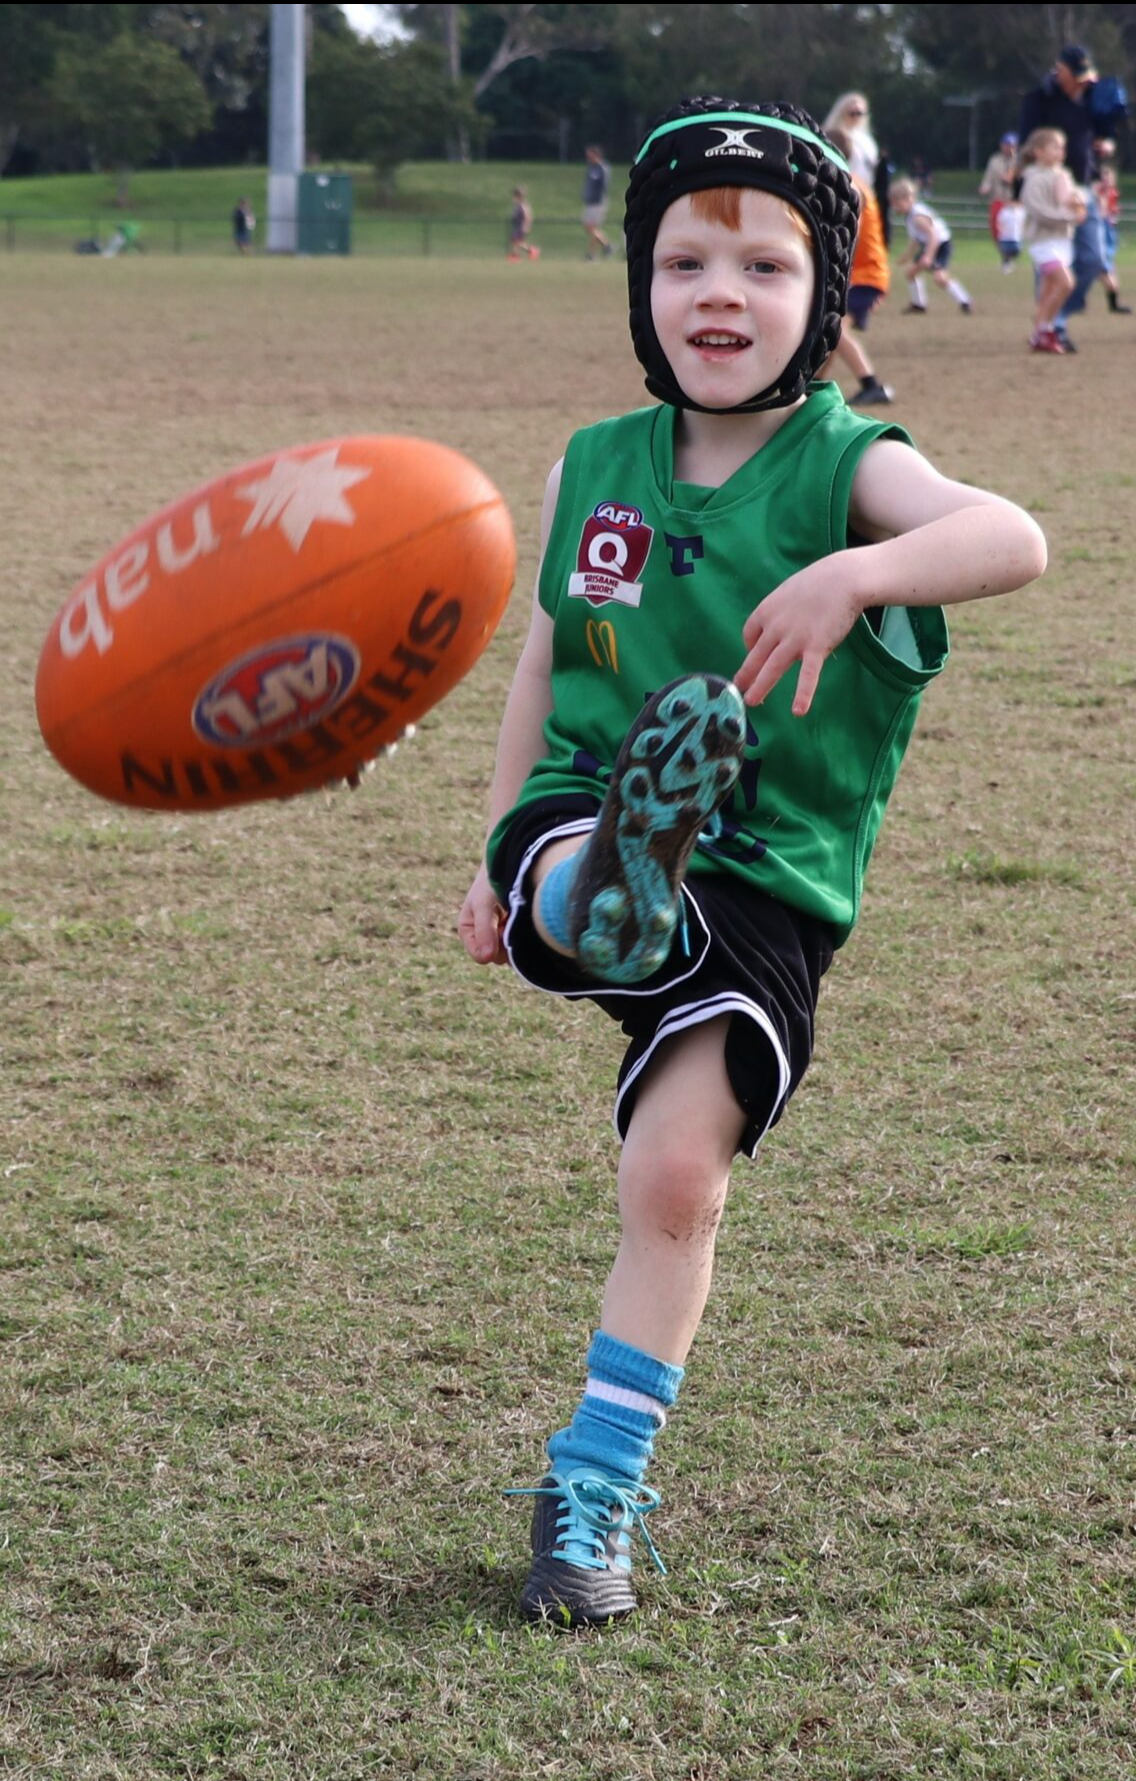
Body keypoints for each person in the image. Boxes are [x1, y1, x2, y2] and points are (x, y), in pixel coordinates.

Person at [458, 96, 1047, 1630]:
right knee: (575, 855)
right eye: (685, 263)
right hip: (591, 802)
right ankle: (589, 885)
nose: (720, 293)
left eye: (765, 267)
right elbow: (542, 666)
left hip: (768, 879)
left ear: (825, 297)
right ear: (641, 287)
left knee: (674, 1176)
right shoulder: (595, 464)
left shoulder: (851, 463)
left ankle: (591, 1487)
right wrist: (490, 849)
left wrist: (860, 574)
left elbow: (1013, 538)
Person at [1019, 43, 1129, 349]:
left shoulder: (1094, 95)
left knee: (1094, 259)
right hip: (1049, 189)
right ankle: (1049, 328)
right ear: (1060, 71)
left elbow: (1107, 132)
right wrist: (1022, 184)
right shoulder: (1040, 99)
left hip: (1083, 188)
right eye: (1075, 74)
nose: (1082, 80)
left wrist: (1108, 143)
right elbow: (1026, 142)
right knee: (1051, 266)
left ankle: (1058, 317)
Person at [825, 124, 894, 403]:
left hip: (865, 275)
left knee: (835, 328)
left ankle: (871, 384)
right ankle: (813, 386)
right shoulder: (844, 182)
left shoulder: (850, 184)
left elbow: (851, 234)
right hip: (861, 274)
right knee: (829, 329)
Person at [1019, 128, 1087, 355]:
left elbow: (1074, 196)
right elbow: (1039, 212)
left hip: (1062, 241)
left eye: (1062, 147)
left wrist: (1079, 200)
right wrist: (1069, 217)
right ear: (1038, 151)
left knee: (1048, 291)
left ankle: (1038, 334)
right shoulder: (1034, 179)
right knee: (1066, 283)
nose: (1061, 151)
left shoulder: (1062, 174)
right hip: (1043, 242)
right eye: (1055, 147)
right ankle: (1046, 330)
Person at [889, 177, 973, 315]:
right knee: (911, 273)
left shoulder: (917, 216)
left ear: (907, 199)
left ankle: (966, 301)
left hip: (940, 245)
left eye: (896, 203)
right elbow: (916, 240)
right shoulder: (910, 215)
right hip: (930, 245)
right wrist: (906, 256)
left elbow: (934, 235)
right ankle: (919, 305)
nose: (894, 207)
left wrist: (928, 256)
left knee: (940, 278)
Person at [1094, 160, 1132, 314]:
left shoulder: (1113, 192)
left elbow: (1113, 215)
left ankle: (1113, 304)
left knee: (1109, 267)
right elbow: (1100, 214)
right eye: (1104, 175)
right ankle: (1114, 305)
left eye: (1109, 175)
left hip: (1110, 232)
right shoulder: (1098, 193)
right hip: (1101, 231)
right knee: (1103, 268)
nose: (1107, 178)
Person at [978, 132, 1019, 263]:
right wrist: (985, 187)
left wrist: (1011, 180)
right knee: (996, 230)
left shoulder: (1019, 161)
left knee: (1013, 230)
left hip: (1014, 202)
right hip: (998, 199)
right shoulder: (994, 160)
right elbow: (988, 178)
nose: (1009, 148)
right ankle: (1005, 255)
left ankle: (1013, 252)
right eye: (1006, 145)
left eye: (1011, 145)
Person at [822, 92, 878, 187]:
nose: (856, 117)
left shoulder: (867, 141)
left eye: (859, 113)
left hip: (864, 187)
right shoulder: (833, 135)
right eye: (852, 113)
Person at [581, 146, 614, 260]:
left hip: (597, 203)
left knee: (591, 227)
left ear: (597, 155)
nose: (588, 158)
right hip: (590, 202)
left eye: (590, 155)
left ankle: (606, 245)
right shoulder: (591, 168)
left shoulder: (602, 168)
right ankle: (593, 254)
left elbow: (603, 186)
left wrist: (596, 199)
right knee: (593, 229)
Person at [507, 186, 540, 262]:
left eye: (516, 194)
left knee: (515, 240)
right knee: (516, 241)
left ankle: (516, 255)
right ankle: (531, 250)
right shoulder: (518, 204)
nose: (514, 196)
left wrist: (526, 226)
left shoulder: (523, 204)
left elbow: (528, 216)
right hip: (518, 225)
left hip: (521, 225)